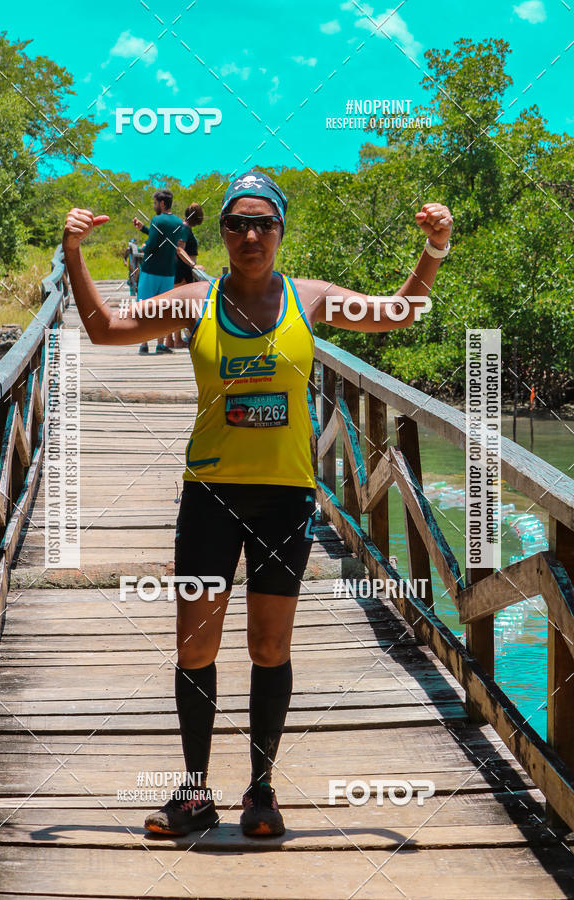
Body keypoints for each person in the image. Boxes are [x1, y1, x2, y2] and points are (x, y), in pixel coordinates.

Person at [62, 169, 453, 839]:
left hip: (285, 501)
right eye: (238, 224)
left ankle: (262, 792)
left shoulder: (310, 298)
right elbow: (102, 328)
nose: (250, 235)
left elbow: (399, 312)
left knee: (269, 648)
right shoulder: (194, 300)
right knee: (196, 647)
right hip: (210, 495)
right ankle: (192, 795)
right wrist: (70, 252)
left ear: (280, 231)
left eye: (263, 223)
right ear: (221, 233)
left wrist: (435, 249)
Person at [132, 189, 190, 354]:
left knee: (144, 307)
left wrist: (145, 246)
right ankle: (160, 344)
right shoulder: (179, 222)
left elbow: (152, 243)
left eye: (155, 203)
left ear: (162, 203)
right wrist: (143, 228)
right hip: (168, 272)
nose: (154, 206)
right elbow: (165, 238)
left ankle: (144, 344)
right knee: (163, 310)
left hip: (151, 270)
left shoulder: (157, 219)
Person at [165, 202, 204, 349]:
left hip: (177, 270)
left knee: (175, 306)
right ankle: (175, 340)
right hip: (181, 271)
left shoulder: (182, 226)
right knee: (178, 306)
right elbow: (179, 249)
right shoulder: (185, 228)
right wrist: (193, 265)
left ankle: (173, 340)